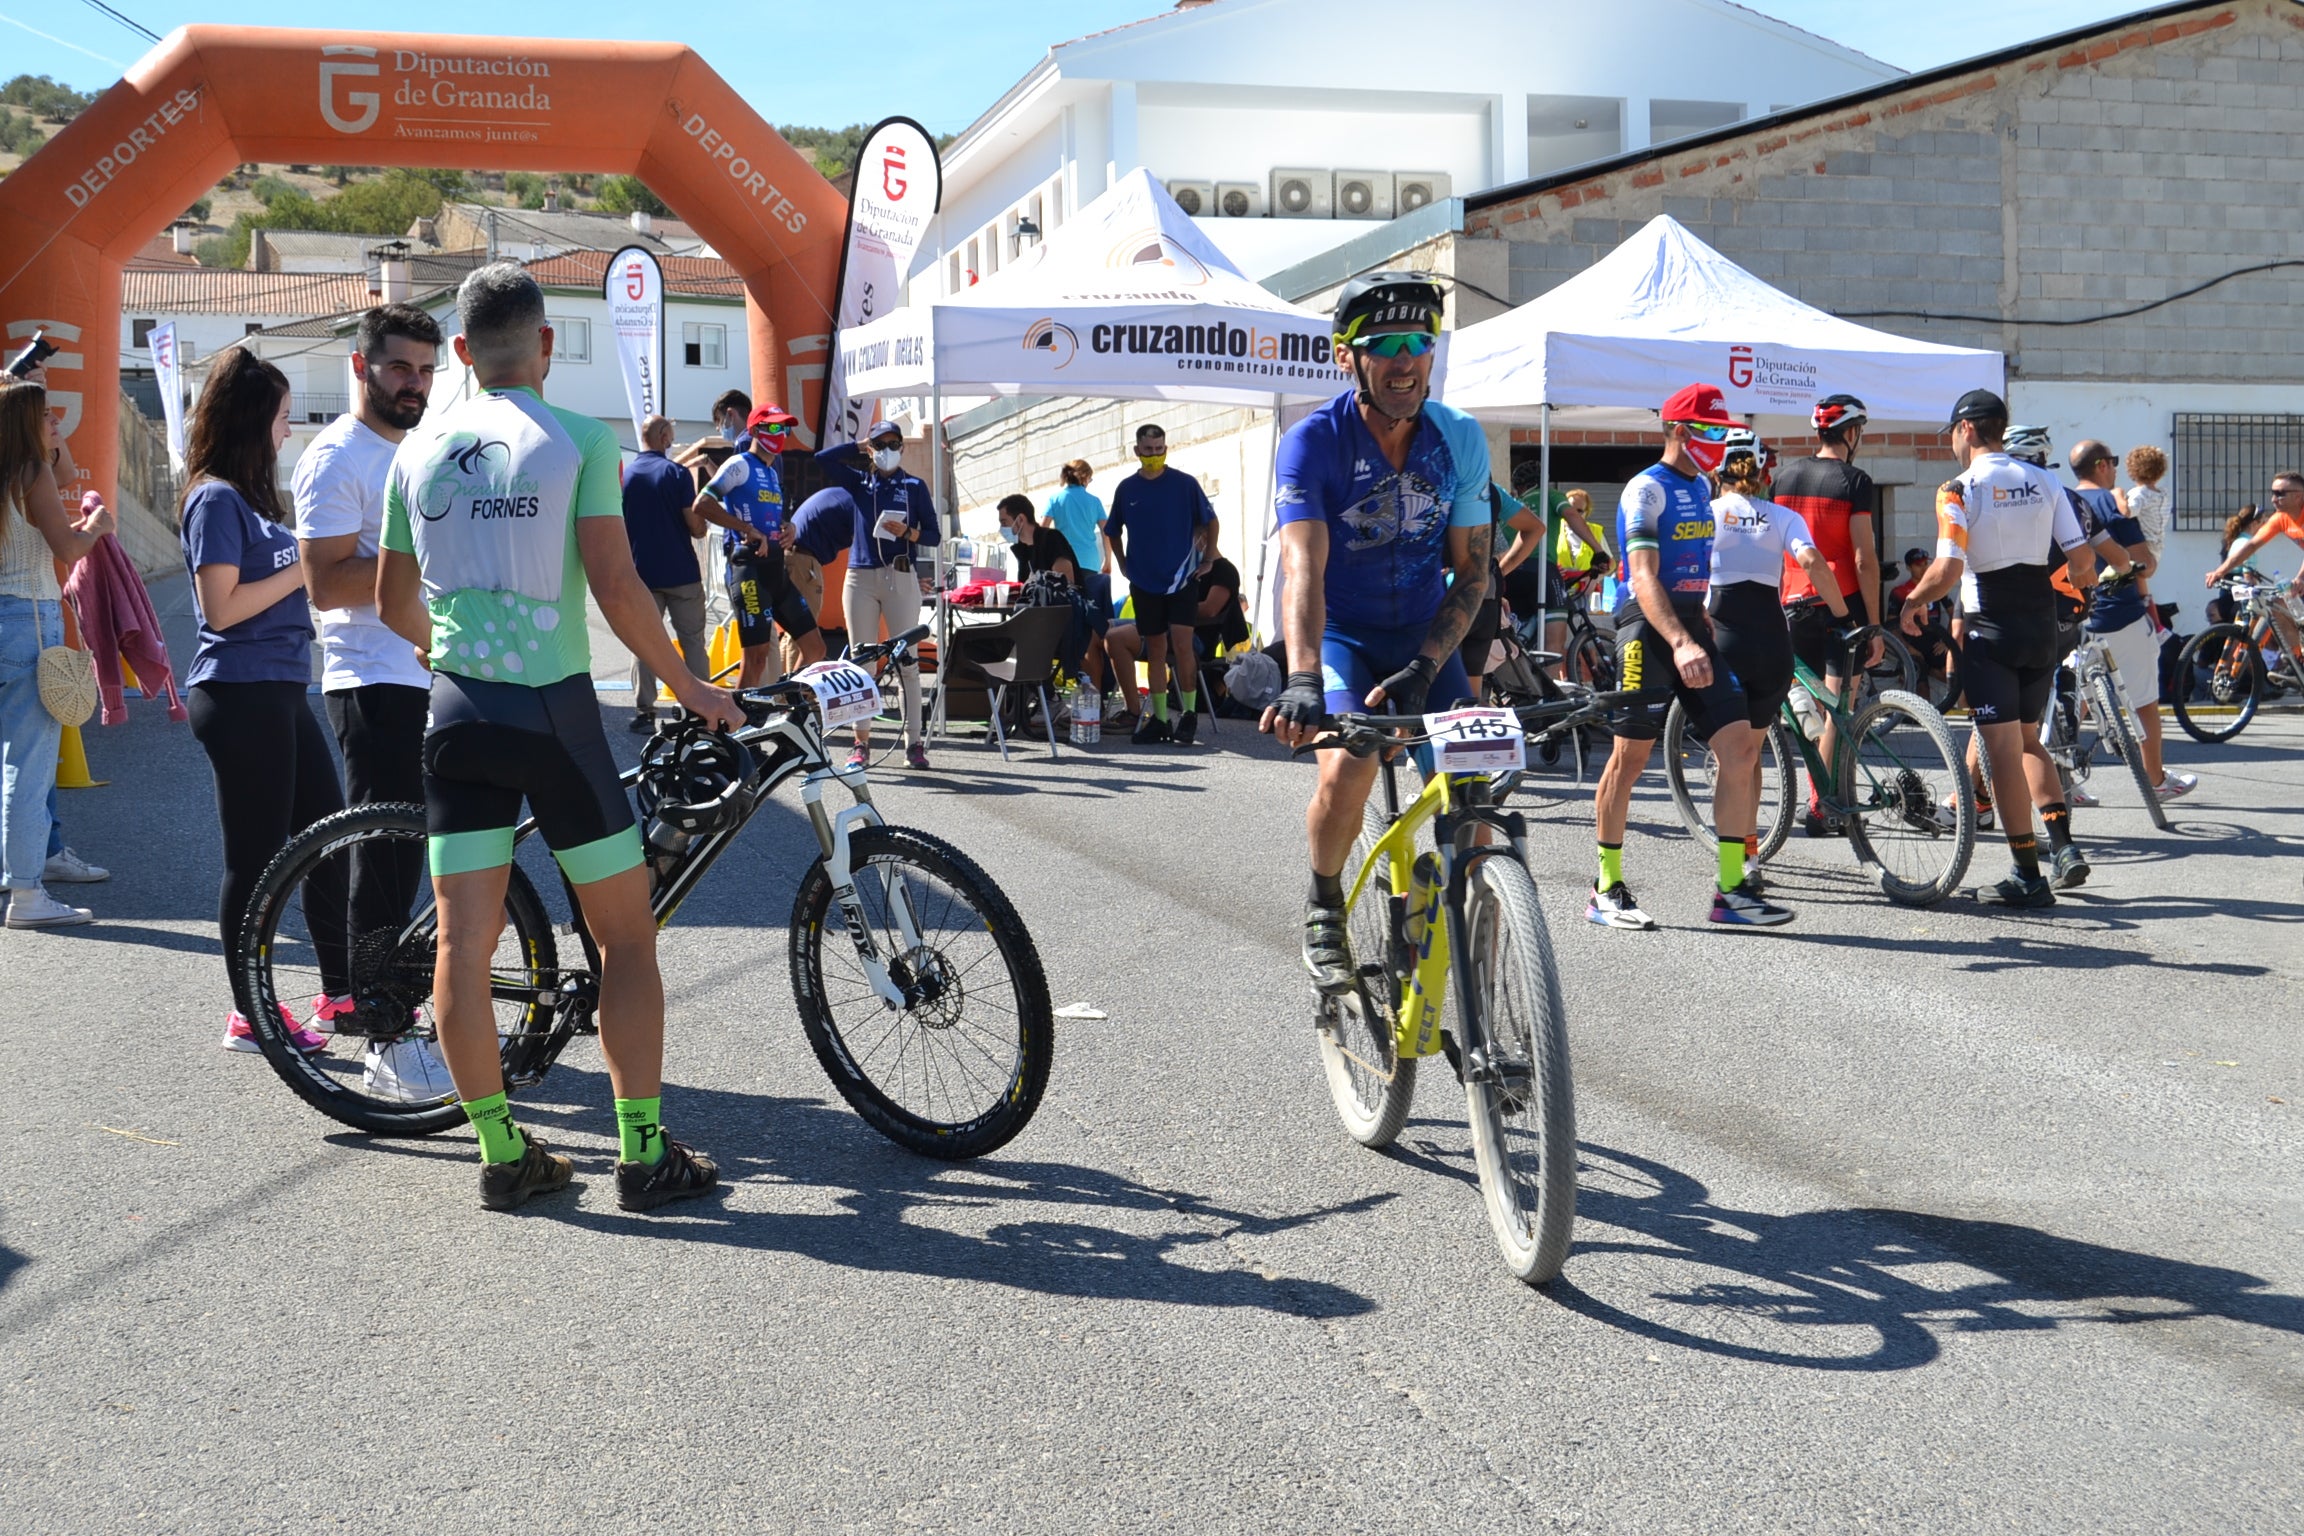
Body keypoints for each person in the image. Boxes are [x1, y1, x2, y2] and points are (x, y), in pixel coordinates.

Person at [376, 263, 742, 1212]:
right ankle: (643, 1155)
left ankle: (503, 1155)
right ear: (545, 346)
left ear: (459, 352)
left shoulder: (413, 454)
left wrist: (449, 649)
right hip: (555, 713)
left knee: (462, 943)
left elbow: (389, 602)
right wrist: (692, 688)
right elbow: (619, 591)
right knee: (625, 938)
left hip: (457, 710)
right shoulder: (580, 439)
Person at [1256, 270, 1493, 987]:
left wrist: (1427, 664)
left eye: (1419, 340)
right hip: (1343, 636)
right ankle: (1325, 900)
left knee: (1472, 793)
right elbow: (1303, 568)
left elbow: (1474, 573)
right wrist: (1301, 680)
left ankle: (1462, 915)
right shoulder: (1313, 443)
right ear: (1345, 356)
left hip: (1425, 638)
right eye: (1383, 343)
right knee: (1353, 763)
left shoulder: (1459, 439)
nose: (1404, 359)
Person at [291, 303, 453, 1094]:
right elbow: (324, 583)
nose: (413, 384)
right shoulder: (336, 457)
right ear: (360, 366)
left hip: (424, 675)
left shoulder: (417, 447)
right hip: (369, 680)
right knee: (381, 861)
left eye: (425, 370)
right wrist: (421, 560)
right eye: (398, 367)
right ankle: (383, 1041)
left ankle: (408, 1013)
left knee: (422, 857)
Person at [179, 348, 347, 1048]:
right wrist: (303, 568)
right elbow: (219, 609)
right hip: (239, 693)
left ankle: (341, 993)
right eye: (280, 417)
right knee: (255, 859)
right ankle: (249, 1011)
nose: (287, 430)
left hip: (277, 690)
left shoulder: (246, 498)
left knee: (330, 837)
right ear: (250, 421)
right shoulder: (214, 496)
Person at [1581, 384, 1785, 929]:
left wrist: (1703, 621)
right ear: (1679, 431)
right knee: (1630, 759)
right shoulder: (1645, 490)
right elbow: (1643, 577)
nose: (1720, 444)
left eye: (1724, 433)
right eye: (1711, 433)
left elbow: (1696, 565)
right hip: (1647, 631)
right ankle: (1605, 887)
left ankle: (1730, 890)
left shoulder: (1702, 485)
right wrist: (1679, 640)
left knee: (1739, 750)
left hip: (1694, 627)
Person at [1900, 391, 2095, 908]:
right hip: (2042, 631)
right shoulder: (2046, 479)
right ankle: (2065, 847)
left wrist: (1912, 603)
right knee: (2030, 742)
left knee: (2002, 754)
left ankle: (2026, 874)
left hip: (1992, 633)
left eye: (1952, 435)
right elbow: (2083, 562)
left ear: (1965, 430)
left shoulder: (1957, 490)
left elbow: (1948, 570)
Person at [1707, 426, 1853, 889]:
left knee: (1732, 759)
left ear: (1719, 470)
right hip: (1771, 642)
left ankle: (1738, 863)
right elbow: (1812, 563)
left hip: (1723, 638)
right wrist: (1843, 615)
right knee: (1750, 754)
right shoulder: (1781, 516)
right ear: (1764, 470)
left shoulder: (1709, 514)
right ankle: (1748, 853)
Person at [0, 379, 113, 929]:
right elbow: (67, 547)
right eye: (47, 417)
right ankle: (26, 894)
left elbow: (66, 472)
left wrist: (46, 435)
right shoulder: (27, 469)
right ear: (25, 422)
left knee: (7, 757)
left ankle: (15, 870)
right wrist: (95, 525)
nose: (56, 424)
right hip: (27, 618)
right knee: (29, 761)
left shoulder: (19, 468)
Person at [1772, 393, 1883, 837]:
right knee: (1840, 705)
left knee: (1810, 706)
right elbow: (1864, 559)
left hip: (1794, 599)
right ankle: (1826, 805)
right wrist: (1874, 623)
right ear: (1852, 433)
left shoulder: (1783, 475)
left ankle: (1820, 797)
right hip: (1844, 603)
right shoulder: (1855, 480)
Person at [2071, 438, 2194, 804]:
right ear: (2102, 466)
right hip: (2118, 613)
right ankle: (2156, 781)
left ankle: (2062, 780)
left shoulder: (2063, 500)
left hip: (2073, 618)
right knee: (2143, 702)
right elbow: (2143, 563)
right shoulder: (2112, 504)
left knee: (2070, 702)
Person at [817, 419, 940, 770]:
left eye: (893, 443)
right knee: (862, 664)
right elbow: (823, 459)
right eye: (880, 444)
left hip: (900, 575)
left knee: (908, 663)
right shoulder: (860, 482)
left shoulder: (915, 486)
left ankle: (914, 744)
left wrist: (909, 532)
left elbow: (933, 535)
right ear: (871, 448)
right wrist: (860, 445)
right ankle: (861, 743)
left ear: (902, 447)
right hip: (860, 578)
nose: (888, 450)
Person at [694, 403, 822, 689]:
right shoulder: (739, 464)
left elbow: (771, 520)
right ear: (753, 429)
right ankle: (736, 725)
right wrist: (745, 529)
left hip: (775, 570)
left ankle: (789, 704)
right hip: (748, 571)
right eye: (773, 427)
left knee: (816, 650)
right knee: (756, 660)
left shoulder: (773, 474)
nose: (780, 434)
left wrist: (788, 528)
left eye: (784, 428)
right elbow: (701, 503)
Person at [1107, 423, 1217, 745]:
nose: (1154, 455)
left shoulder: (1184, 484)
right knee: (1156, 649)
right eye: (1149, 450)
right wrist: (1123, 565)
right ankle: (1158, 719)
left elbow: (1211, 521)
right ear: (1137, 451)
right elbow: (1112, 530)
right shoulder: (1127, 489)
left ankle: (1189, 714)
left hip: (1181, 579)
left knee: (1182, 645)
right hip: (1144, 581)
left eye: (1160, 449)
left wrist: (1208, 559)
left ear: (1166, 448)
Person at [619, 414, 708, 731]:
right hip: (682, 573)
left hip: (641, 574)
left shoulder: (626, 476)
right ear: (664, 437)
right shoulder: (677, 474)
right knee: (693, 643)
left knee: (644, 643)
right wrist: (703, 525)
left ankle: (644, 711)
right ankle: (701, 712)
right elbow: (694, 525)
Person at [1460, 482, 1544, 699]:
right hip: (1485, 597)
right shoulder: (1488, 489)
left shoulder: (1428, 484)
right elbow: (1535, 528)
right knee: (1471, 698)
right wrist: (1497, 574)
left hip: (1442, 599)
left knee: (1423, 692)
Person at [2123, 444, 2169, 557]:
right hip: (2157, 546)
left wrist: (2118, 495)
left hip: (2142, 544)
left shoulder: (2139, 494)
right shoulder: (2163, 495)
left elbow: (2127, 512)